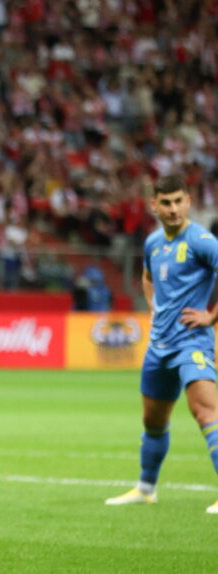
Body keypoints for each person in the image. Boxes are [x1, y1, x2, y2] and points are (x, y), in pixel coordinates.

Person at [106, 174, 218, 512]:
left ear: (188, 202)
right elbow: (147, 277)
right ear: (154, 205)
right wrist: (155, 309)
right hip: (159, 346)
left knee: (205, 412)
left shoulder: (202, 241)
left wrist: (211, 317)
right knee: (153, 421)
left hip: (192, 342)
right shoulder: (154, 243)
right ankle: (145, 488)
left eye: (178, 201)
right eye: (165, 203)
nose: (172, 209)